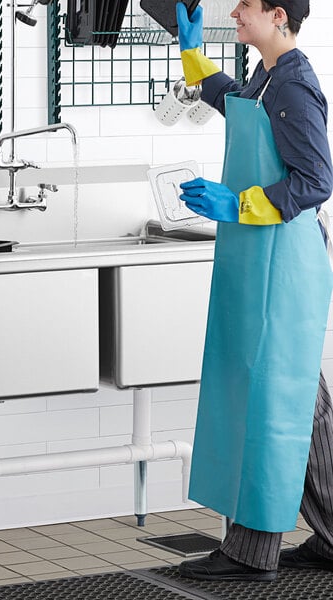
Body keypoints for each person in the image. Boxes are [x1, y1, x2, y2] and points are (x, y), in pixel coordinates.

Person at [173, 0, 333, 581]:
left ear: (279, 15)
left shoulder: (294, 88)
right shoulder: (268, 76)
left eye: (246, 4)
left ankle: (251, 552)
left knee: (270, 400)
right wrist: (192, 54)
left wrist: (237, 202)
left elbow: (317, 179)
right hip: (264, 261)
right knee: (299, 402)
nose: (234, 11)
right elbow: (232, 101)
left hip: (284, 267)